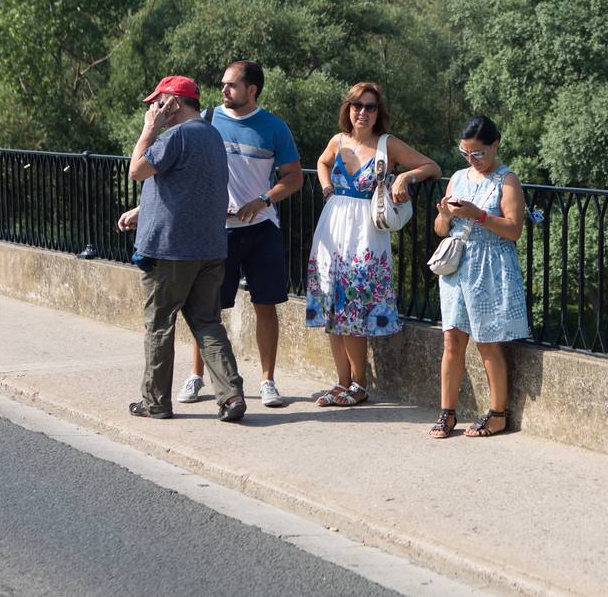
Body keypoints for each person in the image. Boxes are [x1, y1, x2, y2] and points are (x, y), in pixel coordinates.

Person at [117, 75, 246, 422]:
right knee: (207, 322)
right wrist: (142, 211)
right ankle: (231, 395)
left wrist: (149, 129)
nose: (153, 110)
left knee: (159, 324)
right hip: (210, 247)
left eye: (157, 103)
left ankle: (155, 402)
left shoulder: (175, 136)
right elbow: (191, 188)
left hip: (171, 251)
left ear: (172, 103)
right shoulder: (212, 136)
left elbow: (137, 170)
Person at [305, 82, 439, 407]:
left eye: (370, 107)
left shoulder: (386, 144)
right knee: (332, 309)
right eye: (357, 105)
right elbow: (322, 163)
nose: (362, 112)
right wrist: (327, 190)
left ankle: (359, 385)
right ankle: (341, 382)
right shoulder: (338, 141)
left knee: (354, 307)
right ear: (347, 109)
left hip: (365, 233)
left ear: (379, 113)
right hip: (332, 227)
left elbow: (431, 166)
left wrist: (404, 177)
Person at [177, 61, 301, 410]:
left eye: (231, 85)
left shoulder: (275, 127)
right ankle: (198, 375)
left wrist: (262, 200)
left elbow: (293, 177)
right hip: (217, 232)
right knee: (208, 309)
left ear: (252, 90)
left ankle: (267, 381)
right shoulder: (206, 119)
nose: (224, 90)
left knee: (266, 305)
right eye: (223, 84)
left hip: (262, 230)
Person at [429, 115, 529, 438]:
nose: (472, 159)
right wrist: (444, 215)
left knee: (487, 341)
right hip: (458, 266)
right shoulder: (458, 178)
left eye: (478, 153)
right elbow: (440, 229)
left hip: (490, 265)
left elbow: (513, 230)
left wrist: (479, 214)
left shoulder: (507, 180)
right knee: (451, 340)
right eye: (466, 153)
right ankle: (447, 413)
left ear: (494, 145)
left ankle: (497, 414)